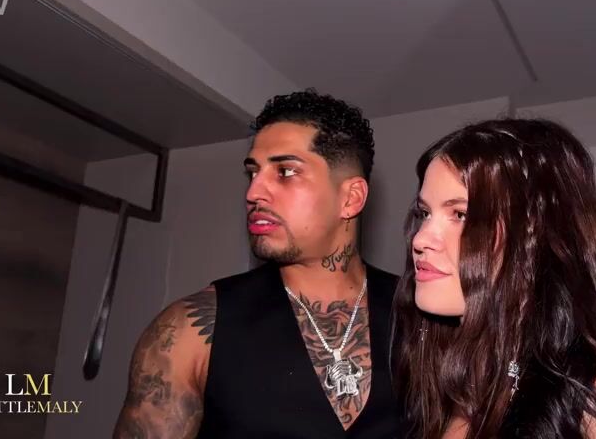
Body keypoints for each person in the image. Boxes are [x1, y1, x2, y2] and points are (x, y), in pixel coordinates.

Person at [392, 118, 596, 438]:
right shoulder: (453, 400)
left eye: (460, 214)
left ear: (535, 238)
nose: (421, 239)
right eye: (424, 213)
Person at [113, 89, 401, 438]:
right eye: (253, 173)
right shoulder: (189, 332)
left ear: (350, 198)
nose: (253, 194)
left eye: (285, 172)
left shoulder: (424, 320)